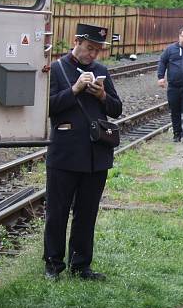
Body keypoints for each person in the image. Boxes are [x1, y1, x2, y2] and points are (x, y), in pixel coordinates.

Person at [43, 23, 123, 281]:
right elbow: (48, 108)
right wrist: (75, 89)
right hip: (64, 155)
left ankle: (81, 265)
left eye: (98, 50)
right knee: (57, 212)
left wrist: (102, 96)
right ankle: (53, 264)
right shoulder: (56, 69)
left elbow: (116, 109)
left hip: (95, 156)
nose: (93, 55)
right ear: (76, 41)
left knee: (87, 213)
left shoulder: (101, 71)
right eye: (90, 48)